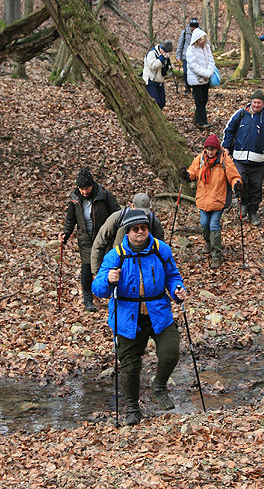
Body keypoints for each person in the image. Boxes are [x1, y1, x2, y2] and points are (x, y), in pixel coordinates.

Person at [92, 209, 187, 426]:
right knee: (130, 366)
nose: (140, 232)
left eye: (143, 228)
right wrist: (107, 278)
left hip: (158, 312)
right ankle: (133, 409)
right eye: (135, 229)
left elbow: (173, 276)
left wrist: (177, 290)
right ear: (127, 232)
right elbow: (97, 288)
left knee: (171, 351)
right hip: (127, 316)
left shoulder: (160, 250)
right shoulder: (116, 255)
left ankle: (159, 386)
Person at [222, 89, 264, 226]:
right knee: (240, 182)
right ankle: (243, 203)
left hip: (258, 160)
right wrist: (226, 146)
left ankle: (253, 211)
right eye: (255, 102)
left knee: (256, 186)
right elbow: (229, 130)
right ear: (251, 102)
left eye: (259, 103)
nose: (257, 105)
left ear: (263, 103)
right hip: (239, 157)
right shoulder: (240, 114)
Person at [59, 168, 120, 312]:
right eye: (81, 189)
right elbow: (70, 219)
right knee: (86, 268)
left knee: (106, 266)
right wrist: (65, 234)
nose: (84, 192)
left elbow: (117, 214)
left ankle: (110, 294)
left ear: (92, 185)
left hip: (104, 237)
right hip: (85, 239)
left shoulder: (104, 195)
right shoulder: (75, 199)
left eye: (86, 188)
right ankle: (88, 299)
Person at [178, 134, 242, 269]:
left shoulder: (224, 160)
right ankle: (208, 242)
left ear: (217, 149)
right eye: (208, 149)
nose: (210, 151)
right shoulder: (200, 159)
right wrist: (186, 175)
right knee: (204, 223)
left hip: (218, 200)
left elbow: (234, 176)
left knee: (214, 225)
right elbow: (193, 172)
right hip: (203, 199)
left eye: (212, 149)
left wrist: (237, 184)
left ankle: (217, 255)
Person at [90, 192, 165, 276]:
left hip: (145, 268)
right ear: (132, 206)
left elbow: (161, 249)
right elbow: (99, 243)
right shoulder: (117, 218)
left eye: (145, 212)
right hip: (119, 265)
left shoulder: (153, 221)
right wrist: (97, 272)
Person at [186, 27, 215, 130]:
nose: (202, 43)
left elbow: (211, 61)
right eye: (201, 42)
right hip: (196, 80)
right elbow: (193, 65)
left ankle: (197, 118)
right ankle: (202, 122)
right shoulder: (191, 50)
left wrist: (209, 72)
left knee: (205, 99)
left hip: (205, 79)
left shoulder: (206, 48)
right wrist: (204, 73)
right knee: (199, 101)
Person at [142, 40, 174, 110]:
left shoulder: (165, 55)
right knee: (155, 103)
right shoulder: (151, 53)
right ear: (161, 48)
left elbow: (164, 68)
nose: (166, 54)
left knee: (162, 102)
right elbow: (153, 66)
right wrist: (162, 59)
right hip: (150, 80)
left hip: (159, 81)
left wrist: (169, 67)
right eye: (165, 52)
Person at [176, 18, 199, 94]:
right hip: (185, 56)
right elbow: (180, 44)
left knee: (195, 73)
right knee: (186, 72)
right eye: (193, 27)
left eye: (195, 27)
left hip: (196, 57)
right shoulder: (185, 32)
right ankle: (187, 86)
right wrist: (178, 56)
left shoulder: (200, 33)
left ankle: (194, 89)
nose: (193, 29)